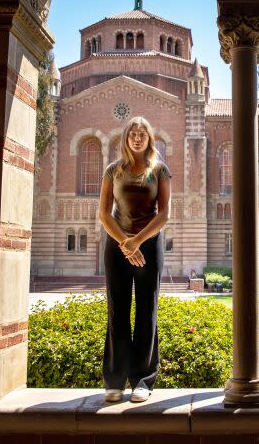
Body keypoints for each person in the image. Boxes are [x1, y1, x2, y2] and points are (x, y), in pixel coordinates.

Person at [99, 116, 171, 403]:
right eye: (133, 133)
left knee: (146, 311)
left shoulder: (159, 170)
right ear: (126, 138)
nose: (138, 138)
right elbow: (104, 214)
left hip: (149, 246)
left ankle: (143, 380)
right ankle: (114, 380)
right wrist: (124, 243)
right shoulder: (112, 170)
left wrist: (137, 242)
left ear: (149, 139)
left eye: (143, 133)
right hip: (116, 245)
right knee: (118, 310)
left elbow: (164, 214)